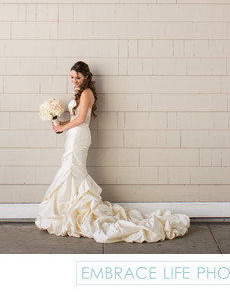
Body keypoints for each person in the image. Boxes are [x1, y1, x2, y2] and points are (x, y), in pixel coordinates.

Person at [35, 61, 190, 243]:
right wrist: (61, 124)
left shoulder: (86, 93)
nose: (74, 81)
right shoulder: (79, 92)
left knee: (70, 169)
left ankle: (70, 212)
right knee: (72, 170)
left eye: (78, 77)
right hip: (74, 135)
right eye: (72, 77)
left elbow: (82, 119)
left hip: (79, 136)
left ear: (86, 77)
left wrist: (64, 128)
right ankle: (68, 209)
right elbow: (75, 118)